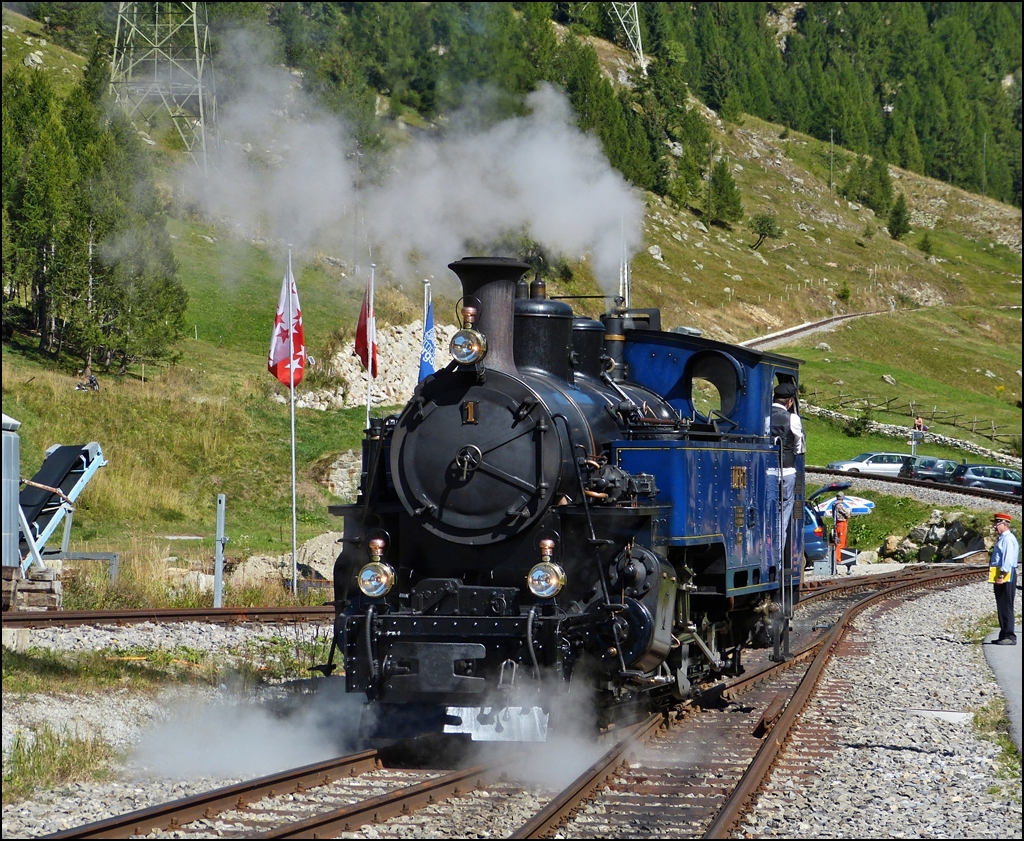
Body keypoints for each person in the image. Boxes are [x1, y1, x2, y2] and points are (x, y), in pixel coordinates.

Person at [770, 382, 801, 569]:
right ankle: (778, 563)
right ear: (789, 402)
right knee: (783, 517)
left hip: (766, 473)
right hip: (787, 471)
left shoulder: (763, 418)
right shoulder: (793, 419)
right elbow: (799, 446)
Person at [988, 513, 1019, 646]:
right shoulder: (1003, 538)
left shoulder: (1007, 539)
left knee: (1006, 605)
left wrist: (1001, 576)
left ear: (1004, 524)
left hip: (1005, 575)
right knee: (1002, 605)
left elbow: (1007, 559)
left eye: (996, 523)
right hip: (1002, 574)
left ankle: (1009, 636)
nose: (994, 526)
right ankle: (1004, 634)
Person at [833, 491, 852, 572]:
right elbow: (846, 512)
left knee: (842, 541)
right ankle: (838, 559)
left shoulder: (834, 504)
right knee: (840, 542)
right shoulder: (839, 505)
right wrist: (849, 513)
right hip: (841, 523)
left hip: (840, 523)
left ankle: (841, 557)